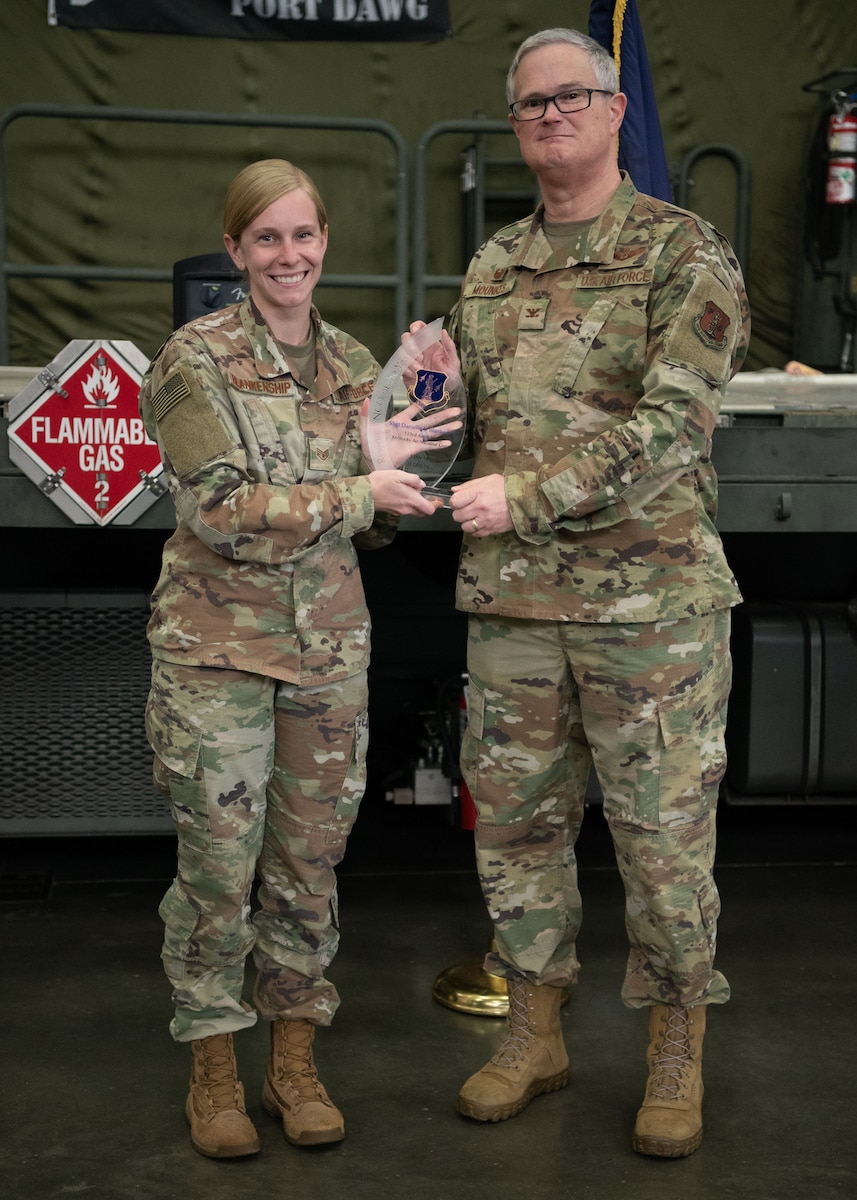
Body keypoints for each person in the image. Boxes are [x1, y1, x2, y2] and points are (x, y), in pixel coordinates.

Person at [440, 27, 750, 1157]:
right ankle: (534, 1031)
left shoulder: (683, 253)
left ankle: (675, 1048)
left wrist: (523, 496)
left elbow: (671, 427)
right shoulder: (491, 265)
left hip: (648, 615)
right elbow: (452, 423)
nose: (549, 116)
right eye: (529, 104)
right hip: (514, 612)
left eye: (570, 96)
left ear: (616, 110)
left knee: (662, 844)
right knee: (515, 837)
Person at [139, 158, 458, 1160]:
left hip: (324, 657)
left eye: (304, 236)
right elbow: (222, 511)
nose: (289, 255)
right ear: (234, 251)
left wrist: (419, 387)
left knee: (307, 871)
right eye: (266, 238)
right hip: (218, 658)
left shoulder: (351, 366)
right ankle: (213, 1072)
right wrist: (361, 484)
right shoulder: (192, 361)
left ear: (326, 244)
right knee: (218, 873)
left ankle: (292, 1063)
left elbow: (373, 527)